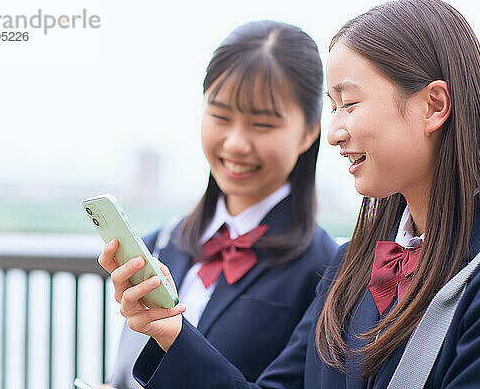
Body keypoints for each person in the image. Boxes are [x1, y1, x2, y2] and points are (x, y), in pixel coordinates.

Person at [100, 0, 480, 388]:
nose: (334, 132)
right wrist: (170, 332)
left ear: (433, 105)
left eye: (350, 104)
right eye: (332, 107)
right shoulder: (351, 266)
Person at [97, 20, 338, 388]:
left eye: (262, 124)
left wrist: (173, 336)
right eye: (221, 116)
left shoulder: (325, 271)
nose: (236, 143)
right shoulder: (163, 242)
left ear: (310, 131)